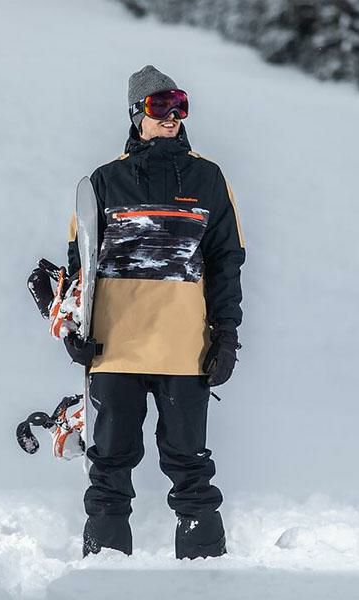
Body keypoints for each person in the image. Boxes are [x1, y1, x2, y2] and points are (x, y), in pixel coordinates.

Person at [65, 65, 246, 560]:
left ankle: (204, 574)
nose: (172, 116)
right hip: (115, 348)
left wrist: (226, 335)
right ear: (136, 113)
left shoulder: (209, 179)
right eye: (159, 106)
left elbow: (227, 262)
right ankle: (104, 574)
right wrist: (74, 328)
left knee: (190, 466)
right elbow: (79, 269)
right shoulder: (104, 182)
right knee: (109, 467)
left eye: (179, 105)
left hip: (184, 349)